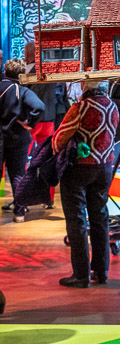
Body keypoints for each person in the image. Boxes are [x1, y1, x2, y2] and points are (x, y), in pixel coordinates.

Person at [53, 79, 119, 288]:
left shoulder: (80, 107)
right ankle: (101, 271)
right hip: (105, 168)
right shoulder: (112, 106)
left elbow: (59, 139)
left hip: (80, 168)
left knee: (77, 221)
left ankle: (81, 275)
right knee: (100, 218)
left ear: (84, 86)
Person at [1, 58, 45, 222]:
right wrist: (29, 123)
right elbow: (39, 107)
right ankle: (19, 213)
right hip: (18, 138)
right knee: (18, 175)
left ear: (5, 72)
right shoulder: (23, 91)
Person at [29, 81, 68, 209]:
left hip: (32, 122)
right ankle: (48, 199)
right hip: (50, 119)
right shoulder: (54, 77)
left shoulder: (30, 75)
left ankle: (22, 203)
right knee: (47, 161)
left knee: (23, 161)